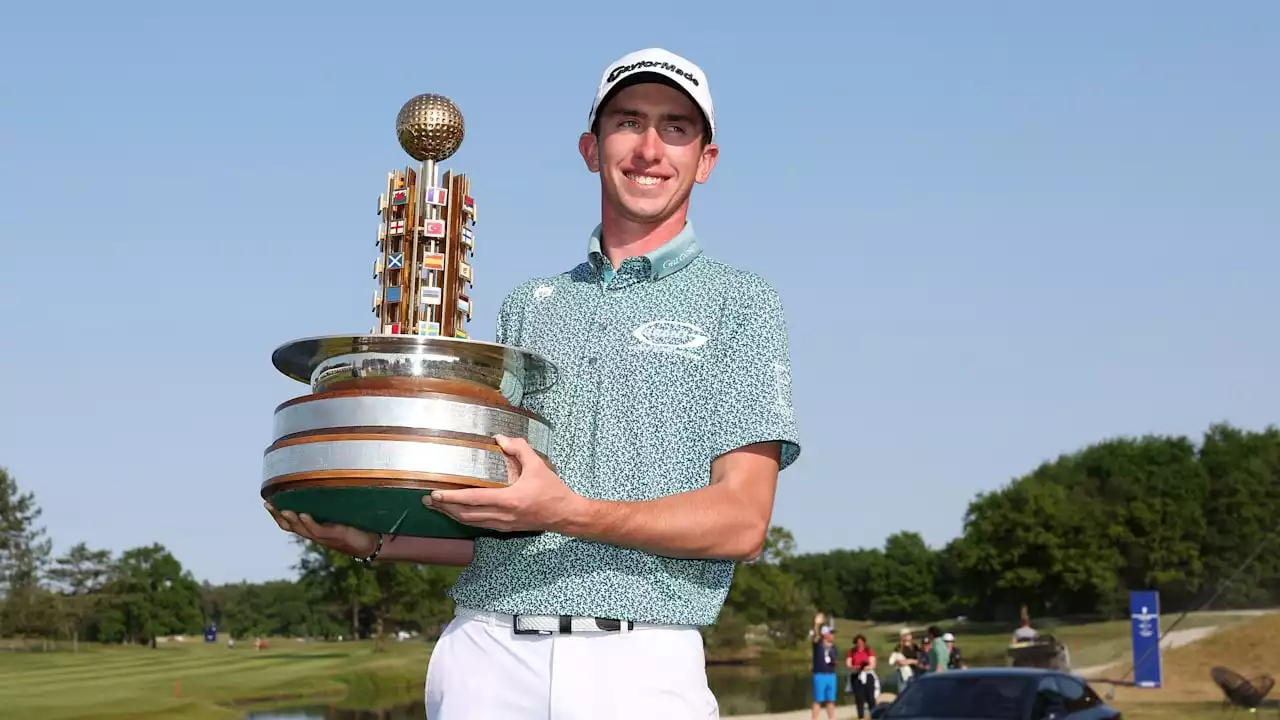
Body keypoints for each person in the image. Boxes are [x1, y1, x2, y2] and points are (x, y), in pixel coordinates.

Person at [265, 46, 802, 720]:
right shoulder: (531, 305)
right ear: (590, 147)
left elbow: (742, 522)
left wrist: (565, 510)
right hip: (486, 656)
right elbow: (511, 518)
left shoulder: (741, 304)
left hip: (641, 666)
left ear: (706, 160)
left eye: (675, 128)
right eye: (628, 122)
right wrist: (376, 539)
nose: (648, 148)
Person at [811, 615, 839, 720]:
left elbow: (834, 659)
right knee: (818, 700)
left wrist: (834, 662)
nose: (833, 635)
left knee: (831, 700)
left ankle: (831, 718)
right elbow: (816, 635)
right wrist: (817, 624)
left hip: (831, 675)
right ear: (825, 634)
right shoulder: (818, 644)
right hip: (820, 675)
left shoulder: (834, 647)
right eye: (831, 633)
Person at [845, 633, 879, 718]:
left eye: (861, 642)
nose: (860, 644)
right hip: (856, 675)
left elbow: (873, 664)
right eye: (858, 642)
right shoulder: (852, 651)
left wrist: (866, 667)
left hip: (867, 675)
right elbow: (848, 664)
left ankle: (873, 716)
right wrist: (855, 667)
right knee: (859, 699)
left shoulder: (868, 650)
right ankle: (861, 717)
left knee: (871, 698)